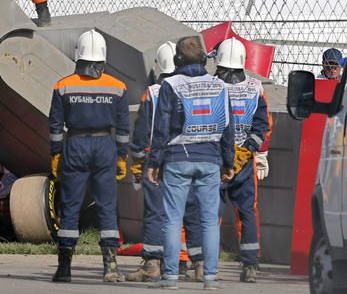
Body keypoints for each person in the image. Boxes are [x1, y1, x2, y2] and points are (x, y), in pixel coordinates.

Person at [147, 36, 235, 290]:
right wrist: (228, 163)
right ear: (205, 59)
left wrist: (155, 162)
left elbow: (161, 127)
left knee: (173, 220)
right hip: (210, 159)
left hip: (177, 158)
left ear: (177, 59)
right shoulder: (220, 86)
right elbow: (227, 129)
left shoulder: (171, 84)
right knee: (209, 220)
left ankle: (172, 278)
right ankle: (210, 278)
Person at [48, 29, 130, 283]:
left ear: (78, 56)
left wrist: (56, 155)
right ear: (103, 58)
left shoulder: (63, 86)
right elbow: (124, 128)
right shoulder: (118, 87)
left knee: (70, 206)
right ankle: (111, 266)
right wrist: (121, 156)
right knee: (107, 205)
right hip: (105, 145)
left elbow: (54, 126)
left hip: (75, 145)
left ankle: (64, 268)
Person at [127, 41, 204, 283]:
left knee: (155, 213)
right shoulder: (195, 88)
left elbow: (141, 132)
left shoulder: (152, 93)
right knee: (190, 211)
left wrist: (138, 163)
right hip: (191, 156)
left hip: (158, 159)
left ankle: (152, 264)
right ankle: (198, 264)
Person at [214, 37, 271, 283]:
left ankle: (205, 263)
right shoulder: (255, 87)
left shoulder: (212, 85)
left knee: (209, 213)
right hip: (244, 161)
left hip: (215, 160)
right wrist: (251, 152)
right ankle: (250, 266)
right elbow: (263, 126)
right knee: (247, 212)